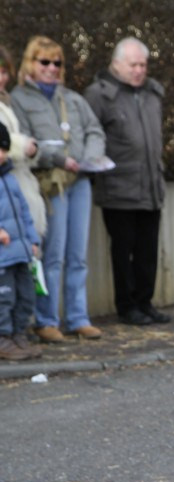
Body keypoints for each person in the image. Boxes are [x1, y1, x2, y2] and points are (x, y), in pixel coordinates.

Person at [11, 36, 106, 342]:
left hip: (79, 182)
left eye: (57, 63)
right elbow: (24, 143)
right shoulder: (19, 99)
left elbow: (94, 130)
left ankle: (78, 317)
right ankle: (46, 319)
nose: (52, 68)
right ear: (31, 63)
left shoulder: (73, 99)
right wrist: (59, 159)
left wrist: (90, 156)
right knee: (53, 254)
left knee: (77, 254)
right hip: (49, 184)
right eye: (45, 62)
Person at [84, 38, 169, 326]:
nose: (138, 70)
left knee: (147, 251)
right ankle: (126, 306)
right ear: (117, 63)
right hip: (119, 189)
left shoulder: (152, 94)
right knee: (123, 252)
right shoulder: (99, 95)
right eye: (133, 64)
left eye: (143, 65)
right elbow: (90, 135)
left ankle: (145, 302)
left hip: (150, 186)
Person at [0, 123, 43, 360]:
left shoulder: (10, 179)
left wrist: (32, 240)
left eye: (4, 150)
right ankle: (2, 338)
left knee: (25, 295)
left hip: (20, 250)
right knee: (3, 297)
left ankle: (18, 334)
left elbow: (24, 213)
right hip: (2, 255)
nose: (2, 155)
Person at [0, 47, 45, 241]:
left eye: (4, 72)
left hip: (17, 181)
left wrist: (31, 150)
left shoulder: (6, 101)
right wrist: (23, 146)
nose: (2, 78)